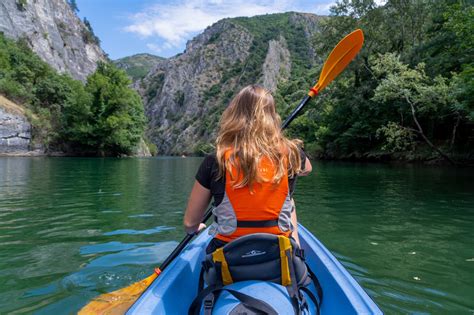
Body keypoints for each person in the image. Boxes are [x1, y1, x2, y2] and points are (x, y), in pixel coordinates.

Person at [183, 85, 312, 254]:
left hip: (229, 261)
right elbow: (307, 169)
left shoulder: (215, 160)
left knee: (289, 199)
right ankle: (296, 251)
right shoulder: (290, 153)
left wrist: (194, 228)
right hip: (279, 256)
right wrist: (278, 146)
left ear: (234, 115)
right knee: (289, 199)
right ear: (272, 117)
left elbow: (190, 224)